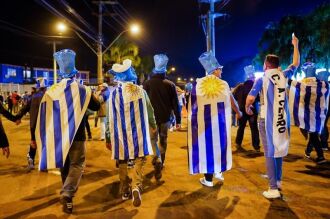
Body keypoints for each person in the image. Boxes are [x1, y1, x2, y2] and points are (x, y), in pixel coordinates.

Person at [35, 49, 100, 214]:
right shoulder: (83, 89)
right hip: (78, 136)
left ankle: (67, 198)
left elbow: (44, 115)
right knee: (77, 164)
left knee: (64, 165)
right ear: (74, 73)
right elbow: (96, 106)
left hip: (58, 135)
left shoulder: (51, 90)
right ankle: (68, 193)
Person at [246, 34, 300, 199]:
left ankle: (272, 188)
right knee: (279, 148)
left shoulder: (262, 79)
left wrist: (247, 107)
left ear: (266, 65)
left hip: (267, 120)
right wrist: (295, 45)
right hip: (283, 120)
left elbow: (250, 98)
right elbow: (296, 64)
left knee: (269, 151)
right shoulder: (283, 75)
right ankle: (278, 180)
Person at [105, 59, 157, 207]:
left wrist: (108, 136)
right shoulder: (140, 91)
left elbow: (109, 118)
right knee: (139, 159)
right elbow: (149, 110)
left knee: (122, 160)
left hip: (120, 135)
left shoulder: (113, 94)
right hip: (138, 133)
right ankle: (136, 186)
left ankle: (125, 189)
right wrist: (153, 125)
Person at [188, 51, 242, 187]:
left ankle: (208, 179)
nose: (221, 73)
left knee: (206, 149)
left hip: (203, 124)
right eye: (220, 70)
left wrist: (193, 125)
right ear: (215, 70)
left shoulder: (198, 85)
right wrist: (238, 112)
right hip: (220, 123)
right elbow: (233, 101)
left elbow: (192, 107)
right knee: (220, 146)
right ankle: (218, 171)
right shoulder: (223, 84)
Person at [143, 54, 181, 166]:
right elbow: (176, 104)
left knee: (153, 139)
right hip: (165, 118)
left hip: (151, 119)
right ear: (165, 72)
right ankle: (161, 161)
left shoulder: (147, 84)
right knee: (163, 140)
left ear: (154, 71)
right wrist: (178, 120)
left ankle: (157, 157)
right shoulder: (171, 85)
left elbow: (143, 102)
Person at [289, 60, 329, 164]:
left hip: (308, 115)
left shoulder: (303, 84)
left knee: (313, 134)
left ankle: (320, 156)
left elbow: (292, 84)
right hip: (319, 115)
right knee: (313, 134)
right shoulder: (323, 84)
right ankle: (308, 151)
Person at [15, 78, 49, 170]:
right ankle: (44, 163)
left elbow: (24, 108)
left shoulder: (32, 97)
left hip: (33, 125)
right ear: (45, 87)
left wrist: (17, 117)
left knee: (33, 142)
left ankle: (31, 160)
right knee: (45, 143)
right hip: (45, 125)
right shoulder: (48, 97)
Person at [233, 65, 260, 152]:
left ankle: (238, 143)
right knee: (254, 128)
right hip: (252, 111)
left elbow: (234, 97)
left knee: (241, 127)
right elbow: (258, 99)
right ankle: (256, 146)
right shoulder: (255, 87)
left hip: (241, 110)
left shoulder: (240, 86)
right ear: (252, 78)